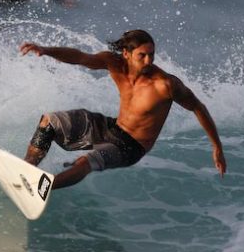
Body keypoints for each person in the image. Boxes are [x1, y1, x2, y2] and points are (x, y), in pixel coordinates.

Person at [19, 29, 227, 190]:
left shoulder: (165, 85)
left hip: (132, 146)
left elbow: (198, 107)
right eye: (142, 55)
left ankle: (41, 188)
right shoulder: (114, 63)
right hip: (113, 128)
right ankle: (25, 170)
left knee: (86, 162)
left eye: (152, 55)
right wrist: (45, 50)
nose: (149, 61)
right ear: (126, 54)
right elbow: (80, 57)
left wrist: (216, 147)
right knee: (50, 122)